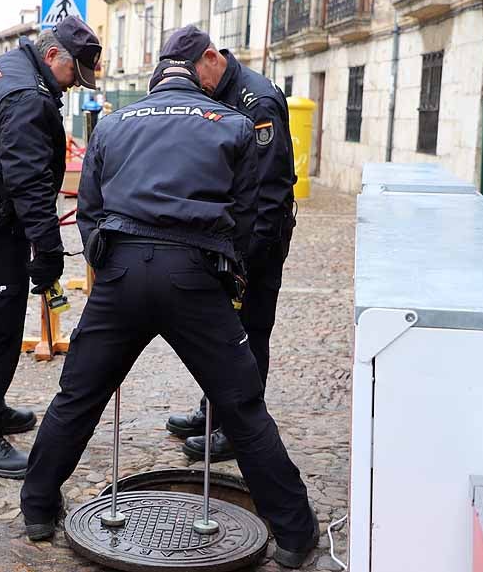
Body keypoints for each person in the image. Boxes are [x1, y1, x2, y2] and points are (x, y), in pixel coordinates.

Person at [19, 60, 319, 568]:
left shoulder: (113, 123)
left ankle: (38, 508)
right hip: (194, 274)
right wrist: (230, 275)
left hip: (121, 274)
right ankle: (294, 533)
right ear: (200, 83)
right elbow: (246, 212)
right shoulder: (233, 124)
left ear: (154, 84)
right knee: (243, 407)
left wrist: (105, 259)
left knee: (76, 397)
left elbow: (88, 205)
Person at [0, 16, 102, 479]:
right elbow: (28, 183)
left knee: (1, 324)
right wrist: (48, 253)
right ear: (54, 57)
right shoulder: (28, 95)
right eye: (74, 75)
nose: (73, 87)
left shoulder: (7, 66)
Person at [160, 26, 297, 463]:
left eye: (196, 76)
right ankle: (213, 412)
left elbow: (270, 193)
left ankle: (240, 432)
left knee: (251, 332)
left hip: (257, 241)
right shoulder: (217, 95)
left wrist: (248, 259)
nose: (195, 87)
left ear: (210, 57)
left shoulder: (257, 101)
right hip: (226, 238)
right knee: (223, 332)